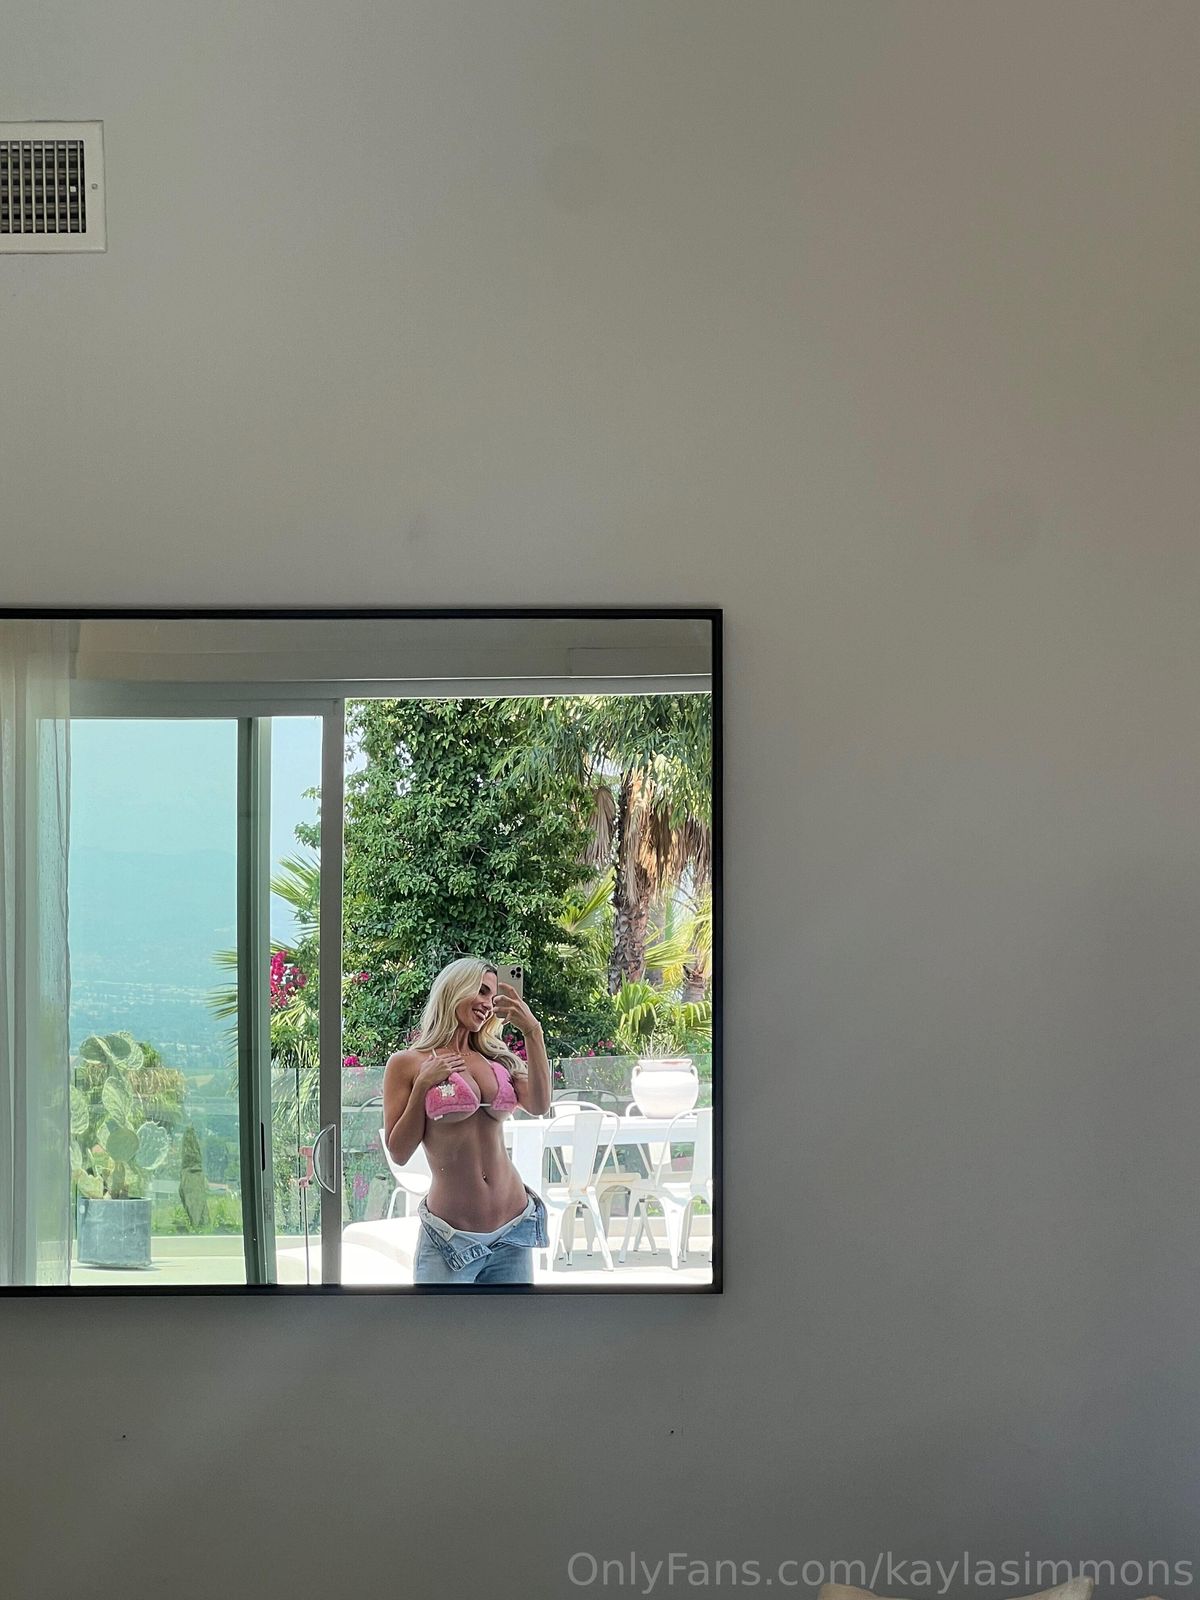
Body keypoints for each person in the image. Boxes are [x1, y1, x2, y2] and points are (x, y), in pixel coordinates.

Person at [382, 957, 552, 1285]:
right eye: (482, 991)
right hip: (451, 1239)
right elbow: (399, 1152)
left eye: (493, 996)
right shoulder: (407, 1063)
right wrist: (422, 1086)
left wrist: (533, 1031)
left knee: (514, 1322)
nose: (488, 1004)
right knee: (442, 1322)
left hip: (513, 1230)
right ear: (455, 989)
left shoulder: (496, 1058)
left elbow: (540, 1104)